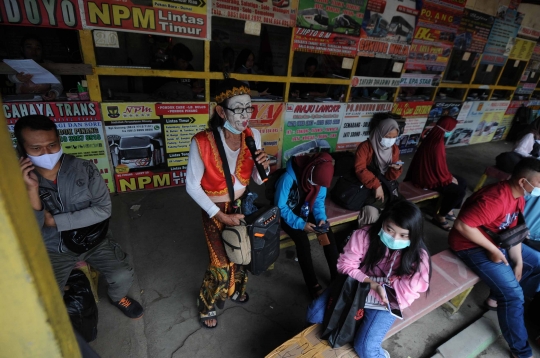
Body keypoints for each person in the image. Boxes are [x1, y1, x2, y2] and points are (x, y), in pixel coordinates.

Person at [16, 115, 143, 319]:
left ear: (59, 142)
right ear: (22, 150)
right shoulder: (14, 180)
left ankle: (117, 297)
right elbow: (29, 230)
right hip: (53, 249)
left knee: (123, 275)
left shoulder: (84, 169)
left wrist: (54, 221)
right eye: (36, 148)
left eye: (52, 145)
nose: (46, 153)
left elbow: (103, 209)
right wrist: (31, 190)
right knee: (45, 300)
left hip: (94, 239)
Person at [186, 78, 270, 328]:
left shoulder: (253, 135)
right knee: (220, 263)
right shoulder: (201, 141)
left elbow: (257, 179)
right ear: (221, 111)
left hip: (242, 204)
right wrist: (220, 216)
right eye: (238, 109)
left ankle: (234, 290)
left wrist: (263, 167)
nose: (245, 116)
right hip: (215, 210)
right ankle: (207, 304)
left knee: (243, 254)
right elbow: (191, 185)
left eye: (249, 108)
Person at [306, 199, 431, 358]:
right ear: (383, 223)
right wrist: (371, 284)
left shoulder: (419, 259)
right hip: (357, 285)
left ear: (414, 235)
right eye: (389, 229)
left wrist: (367, 298)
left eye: (403, 235)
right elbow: (346, 265)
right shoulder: (364, 235)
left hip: (386, 300)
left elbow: (405, 294)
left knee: (366, 348)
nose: (394, 238)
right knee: (313, 315)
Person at [449, 157, 540, 358]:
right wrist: (495, 250)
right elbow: (462, 226)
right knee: (514, 296)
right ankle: (521, 352)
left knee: (537, 263)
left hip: (496, 243)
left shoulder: (519, 197)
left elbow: (513, 233)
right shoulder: (495, 199)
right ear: (523, 182)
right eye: (539, 184)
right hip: (469, 245)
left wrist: (519, 261)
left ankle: (499, 296)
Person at [274, 152, 338, 298]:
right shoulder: (288, 178)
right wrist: (301, 224)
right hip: (286, 213)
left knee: (326, 231)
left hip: (305, 208)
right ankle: (312, 284)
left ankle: (336, 276)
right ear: (310, 171)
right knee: (302, 241)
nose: (316, 187)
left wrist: (321, 218)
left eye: (320, 185)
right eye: (314, 183)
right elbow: (280, 207)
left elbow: (318, 202)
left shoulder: (321, 180)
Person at [405, 116, 467, 231]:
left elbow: (440, 165)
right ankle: (440, 216)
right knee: (459, 192)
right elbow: (439, 166)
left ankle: (448, 209)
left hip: (430, 173)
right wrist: (448, 178)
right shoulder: (437, 143)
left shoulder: (434, 135)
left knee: (462, 182)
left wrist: (449, 176)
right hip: (428, 178)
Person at [354, 113, 403, 227]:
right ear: (380, 133)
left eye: (394, 137)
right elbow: (360, 169)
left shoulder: (394, 149)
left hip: (387, 186)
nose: (391, 141)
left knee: (402, 212)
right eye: (388, 137)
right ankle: (365, 241)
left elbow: (391, 177)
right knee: (371, 215)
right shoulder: (365, 147)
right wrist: (376, 185)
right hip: (367, 187)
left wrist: (397, 168)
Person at [8, 35, 63, 100]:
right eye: (29, 47)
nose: (34, 51)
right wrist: (17, 78)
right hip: (22, 104)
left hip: (45, 103)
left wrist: (54, 92)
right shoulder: (16, 63)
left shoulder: (50, 65)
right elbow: (10, 76)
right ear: (22, 49)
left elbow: (58, 85)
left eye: (38, 48)